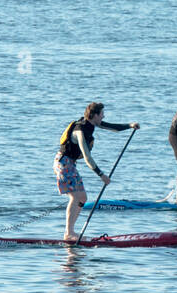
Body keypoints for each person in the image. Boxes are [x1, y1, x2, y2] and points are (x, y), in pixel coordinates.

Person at [55, 102, 139, 241]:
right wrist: (101, 175)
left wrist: (130, 126)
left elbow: (113, 127)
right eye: (101, 114)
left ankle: (70, 232)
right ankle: (69, 233)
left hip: (70, 164)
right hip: (63, 163)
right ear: (94, 115)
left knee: (82, 198)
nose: (103, 116)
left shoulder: (91, 124)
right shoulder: (80, 130)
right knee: (75, 197)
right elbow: (87, 157)